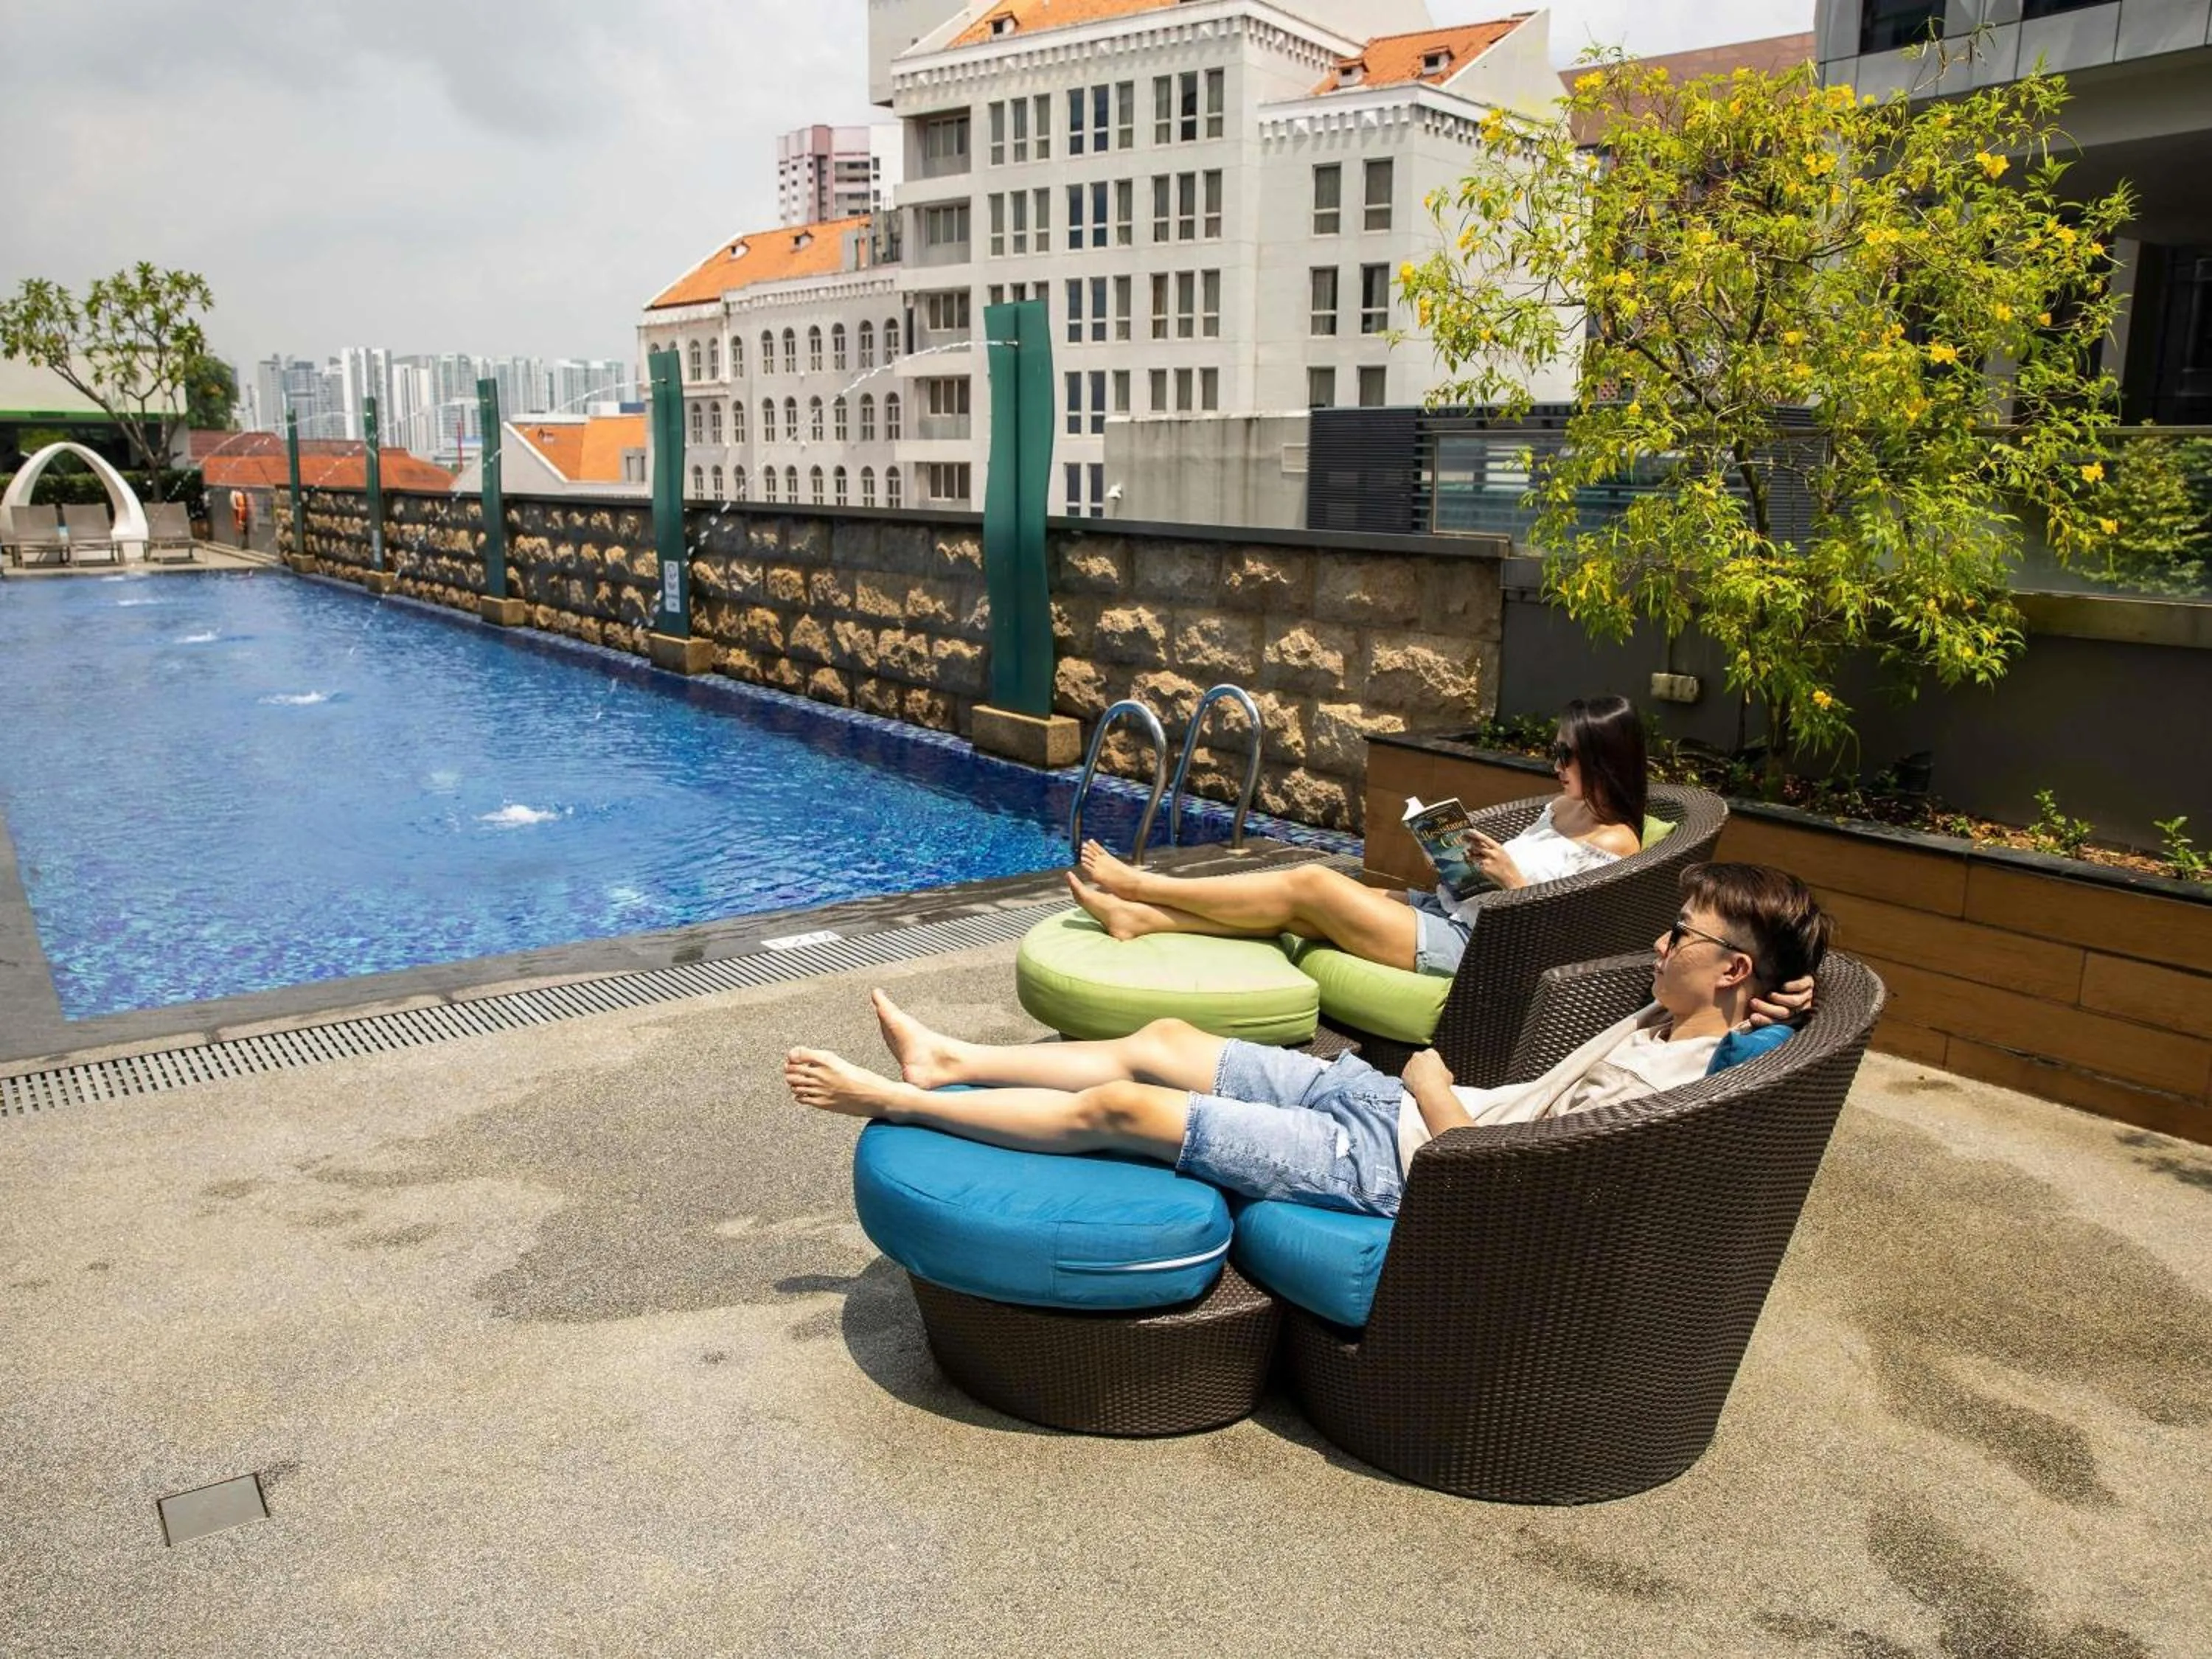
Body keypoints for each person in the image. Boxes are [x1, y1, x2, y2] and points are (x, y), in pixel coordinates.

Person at [785, 863, 1832, 1220]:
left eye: (1681, 936)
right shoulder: (1686, 1013)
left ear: (1732, 967)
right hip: (1385, 1105)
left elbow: (1500, 1173)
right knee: (1161, 1036)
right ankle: (955, 1059)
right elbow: (1776, 1023)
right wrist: (1776, 1009)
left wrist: (1428, 1084)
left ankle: (903, 1098)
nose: (1657, 941)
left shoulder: (1674, 1081)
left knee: (1128, 1107)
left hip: (1400, 1160)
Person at [1065, 695, 1649, 983]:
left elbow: (1571, 933)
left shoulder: (1620, 845)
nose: (1555, 764)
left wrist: (1511, 879)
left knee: (1311, 883)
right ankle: (1143, 919)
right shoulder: (1561, 806)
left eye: (1566, 754)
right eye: (1555, 751)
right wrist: (1453, 858)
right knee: (1298, 910)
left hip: (1474, 950)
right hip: (1452, 912)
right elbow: (1493, 883)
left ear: (1603, 760)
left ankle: (1142, 886)